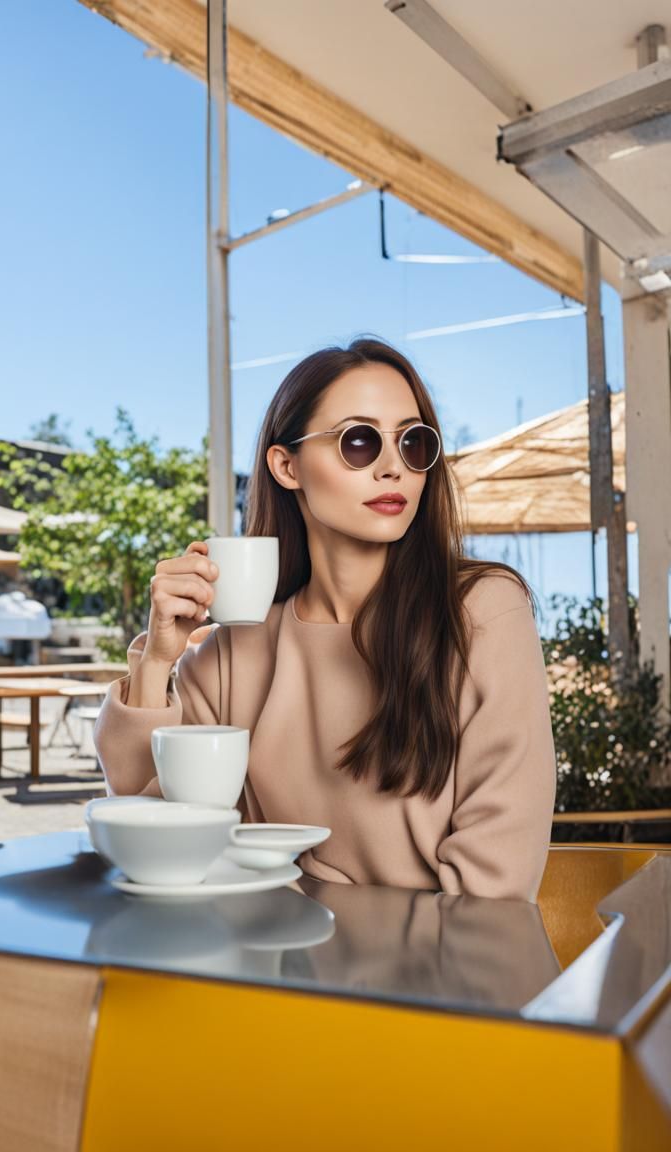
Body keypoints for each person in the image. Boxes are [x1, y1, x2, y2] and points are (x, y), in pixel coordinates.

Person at [94, 337, 556, 901]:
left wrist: (313, 893)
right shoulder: (236, 650)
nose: (394, 468)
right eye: (359, 441)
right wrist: (159, 660)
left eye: (413, 443)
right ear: (287, 466)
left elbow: (496, 888)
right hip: (271, 967)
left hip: (442, 980)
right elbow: (151, 820)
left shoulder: (481, 611)